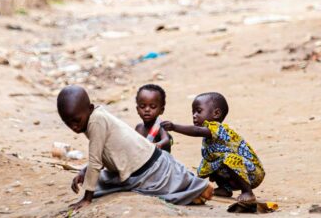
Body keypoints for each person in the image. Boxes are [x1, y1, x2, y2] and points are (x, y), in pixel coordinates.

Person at [57, 86, 213, 210]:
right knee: (100, 184)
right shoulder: (95, 117)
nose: (74, 126)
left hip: (147, 170)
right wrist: (84, 172)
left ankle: (197, 189)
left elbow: (96, 161)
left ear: (89, 109)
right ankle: (192, 187)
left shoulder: (96, 122)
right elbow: (101, 156)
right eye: (68, 123)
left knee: (160, 192)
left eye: (76, 120)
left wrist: (87, 199)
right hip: (143, 163)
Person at [162, 92, 264, 204]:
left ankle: (248, 192)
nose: (194, 115)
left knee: (229, 159)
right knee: (208, 162)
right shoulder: (209, 134)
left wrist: (174, 127)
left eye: (199, 111)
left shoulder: (217, 128)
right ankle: (225, 189)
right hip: (235, 170)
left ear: (216, 113)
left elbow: (196, 131)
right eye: (193, 112)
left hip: (252, 172)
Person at [134, 84, 172, 152]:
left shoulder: (160, 126)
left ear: (161, 110)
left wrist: (158, 144)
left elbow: (166, 140)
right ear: (137, 109)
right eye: (142, 106)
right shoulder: (138, 128)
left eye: (153, 106)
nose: (147, 110)